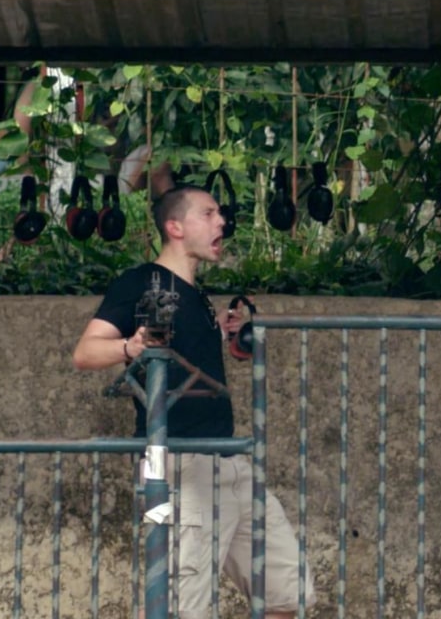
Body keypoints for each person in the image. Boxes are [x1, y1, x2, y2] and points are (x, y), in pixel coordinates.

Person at [72, 183, 314, 618]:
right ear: (175, 226)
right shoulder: (139, 282)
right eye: (209, 213)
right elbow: (86, 353)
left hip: (229, 461)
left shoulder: (197, 297)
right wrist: (132, 346)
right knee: (181, 607)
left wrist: (219, 330)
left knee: (287, 595)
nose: (222, 221)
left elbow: (186, 353)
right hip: (178, 464)